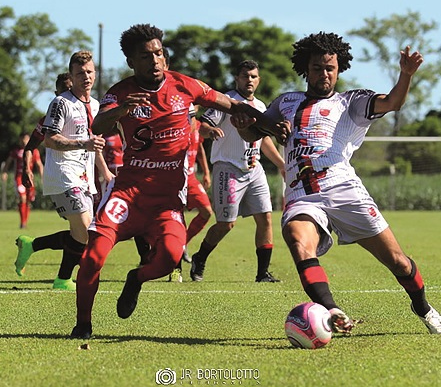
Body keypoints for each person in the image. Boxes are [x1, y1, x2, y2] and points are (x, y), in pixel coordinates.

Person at [70, 24, 283, 339]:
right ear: (131, 61)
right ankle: (83, 325)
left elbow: (233, 105)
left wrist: (271, 124)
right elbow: (99, 124)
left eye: (158, 53)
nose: (155, 60)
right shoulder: (120, 92)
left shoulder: (186, 85)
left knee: (170, 258)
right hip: (127, 195)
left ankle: (136, 279)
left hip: (166, 201)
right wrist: (122, 111)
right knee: (93, 255)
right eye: (145, 56)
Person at [234, 31, 441, 335]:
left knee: (399, 263)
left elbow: (393, 102)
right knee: (298, 243)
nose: (324, 74)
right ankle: (332, 310)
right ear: (305, 70)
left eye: (330, 68)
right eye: (317, 68)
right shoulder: (285, 102)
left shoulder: (351, 102)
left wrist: (405, 75)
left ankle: (423, 307)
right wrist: (245, 126)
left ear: (339, 69)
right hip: (302, 195)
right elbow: (255, 132)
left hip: (344, 190)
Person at [14, 52, 109, 291]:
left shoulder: (96, 105)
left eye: (89, 72)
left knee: (81, 234)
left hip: (85, 178)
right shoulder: (60, 103)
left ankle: (43, 258)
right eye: (80, 73)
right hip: (64, 176)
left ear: (95, 74)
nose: (85, 77)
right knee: (88, 231)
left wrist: (105, 172)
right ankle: (69, 279)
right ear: (72, 76)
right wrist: (82, 144)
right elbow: (50, 139)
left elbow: (94, 143)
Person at [190, 60, 285, 283]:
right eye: (245, 76)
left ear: (258, 80)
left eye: (253, 76)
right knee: (226, 224)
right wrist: (210, 130)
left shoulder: (261, 107)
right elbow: (201, 124)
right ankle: (199, 257)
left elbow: (263, 140)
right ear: (237, 78)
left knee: (266, 219)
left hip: (254, 168)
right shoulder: (226, 102)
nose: (249, 80)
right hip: (228, 168)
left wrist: (281, 164)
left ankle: (263, 273)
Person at [168, 114, 214, 282]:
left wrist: (206, 171)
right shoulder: (174, 122)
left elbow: (200, 148)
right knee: (176, 220)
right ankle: (175, 269)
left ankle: (182, 243)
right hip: (174, 178)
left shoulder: (199, 125)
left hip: (191, 178)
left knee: (207, 212)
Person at [1, 132, 43, 229]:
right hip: (19, 178)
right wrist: (4, 172)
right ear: (20, 140)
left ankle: (25, 222)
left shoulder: (34, 151)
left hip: (30, 178)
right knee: (22, 198)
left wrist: (42, 177)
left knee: (28, 201)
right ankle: (22, 223)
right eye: (23, 139)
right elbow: (8, 162)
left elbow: (39, 164)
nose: (24, 141)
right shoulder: (16, 151)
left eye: (26, 139)